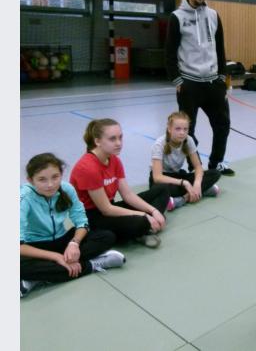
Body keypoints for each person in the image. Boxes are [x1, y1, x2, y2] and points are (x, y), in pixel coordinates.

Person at [21, 153, 125, 298]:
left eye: (55, 177)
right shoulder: (24, 198)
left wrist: (74, 243)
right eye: (42, 179)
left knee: (106, 236)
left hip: (62, 240)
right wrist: (56, 257)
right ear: (30, 180)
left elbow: (82, 221)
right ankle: (91, 265)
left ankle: (40, 277)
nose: (50, 184)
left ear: (61, 175)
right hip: (35, 247)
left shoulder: (67, 189)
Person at [165, 0, 235, 177]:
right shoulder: (177, 17)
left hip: (214, 83)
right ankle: (193, 167)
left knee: (222, 125)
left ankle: (216, 163)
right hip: (190, 84)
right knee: (187, 131)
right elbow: (169, 52)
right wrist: (178, 81)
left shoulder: (213, 15)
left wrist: (222, 78)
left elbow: (220, 49)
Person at [70, 119, 170, 248]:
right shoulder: (88, 167)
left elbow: (128, 195)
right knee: (140, 222)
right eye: (112, 139)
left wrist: (153, 211)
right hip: (93, 217)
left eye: (120, 138)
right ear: (97, 141)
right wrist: (144, 215)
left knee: (162, 189)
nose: (119, 143)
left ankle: (143, 228)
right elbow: (106, 209)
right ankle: (141, 230)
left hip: (111, 208)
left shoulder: (114, 160)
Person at [150, 111, 222, 211]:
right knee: (159, 189)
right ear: (169, 129)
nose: (182, 132)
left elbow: (198, 167)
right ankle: (200, 192)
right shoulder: (159, 144)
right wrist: (185, 183)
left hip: (178, 176)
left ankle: (183, 197)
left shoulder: (189, 140)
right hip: (163, 179)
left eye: (185, 129)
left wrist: (197, 184)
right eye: (178, 129)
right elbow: (157, 177)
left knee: (215, 173)